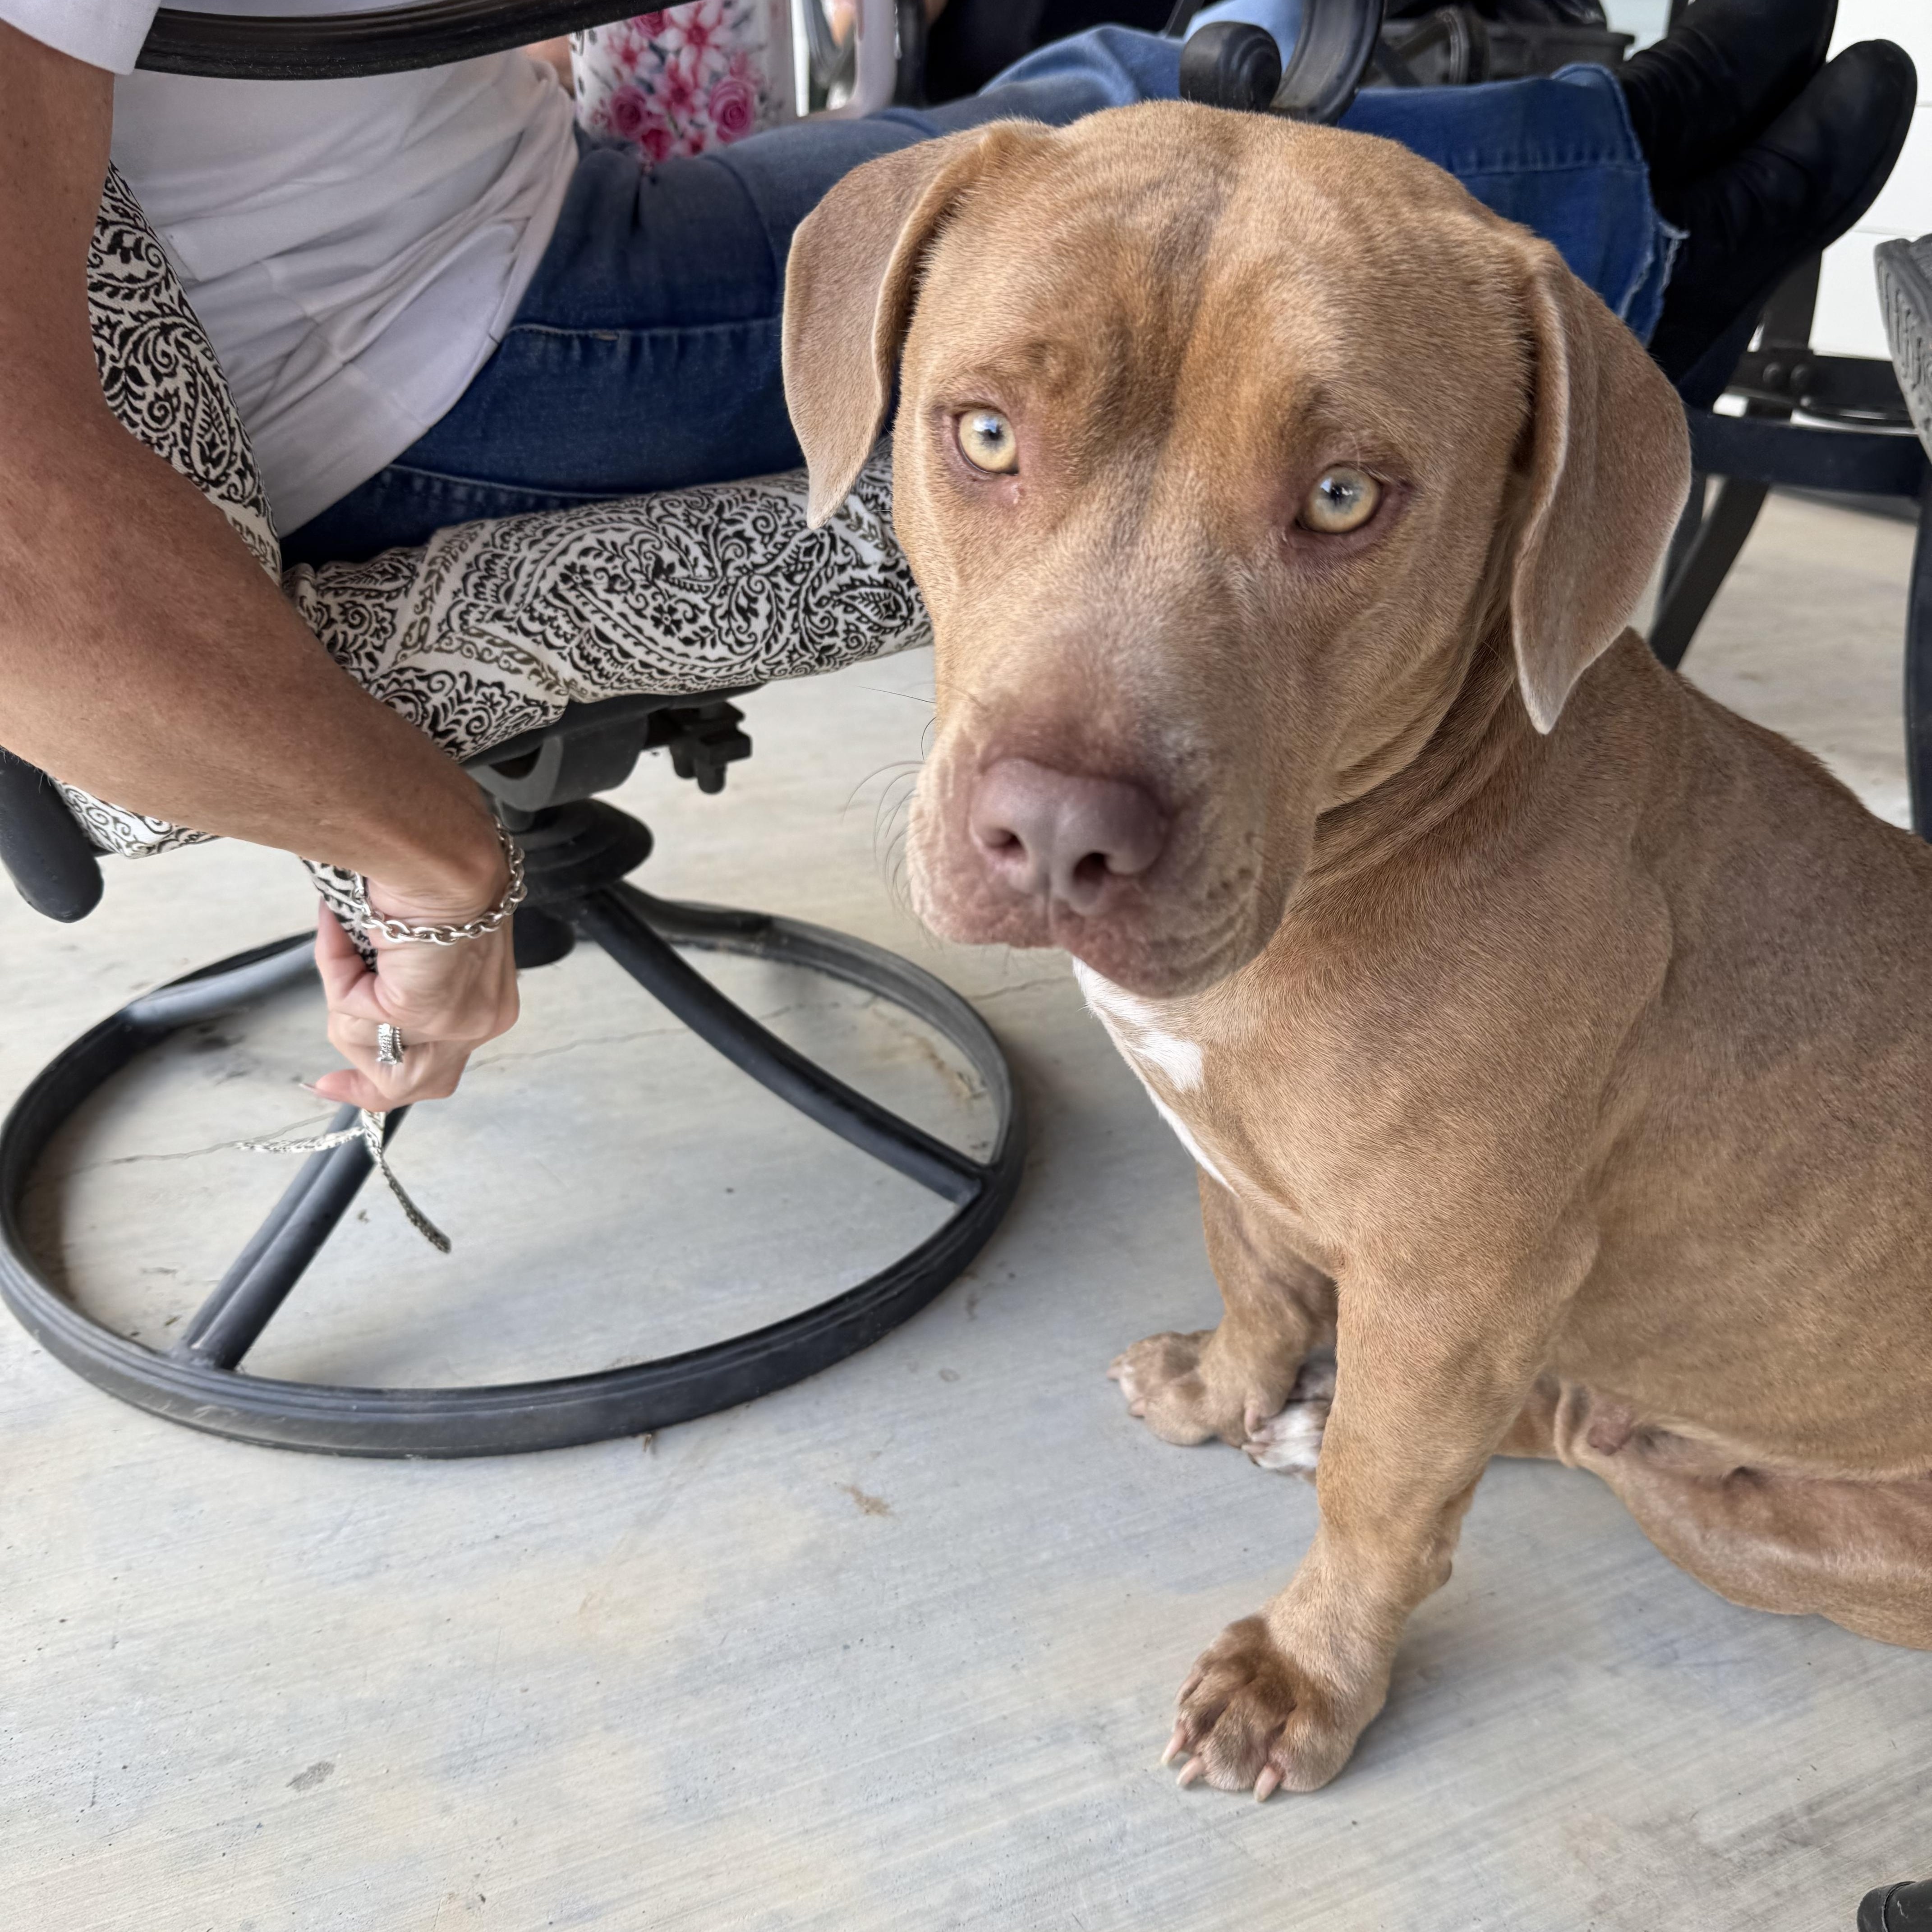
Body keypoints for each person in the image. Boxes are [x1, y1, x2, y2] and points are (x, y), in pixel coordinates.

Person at [0, 0, 1912, 1117]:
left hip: (500, 201)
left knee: (1092, 89)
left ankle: (1632, 186)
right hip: (424, 353)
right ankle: (1652, 231)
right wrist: (425, 859)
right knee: (1134, 150)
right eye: (979, 443)